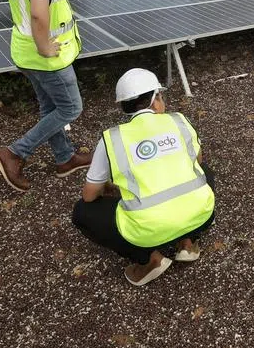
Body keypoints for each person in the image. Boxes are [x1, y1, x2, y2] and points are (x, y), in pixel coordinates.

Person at [71, 68, 216, 286]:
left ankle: (149, 260)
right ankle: (188, 242)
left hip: (147, 230)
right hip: (201, 214)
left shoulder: (112, 139)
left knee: (83, 212)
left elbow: (90, 196)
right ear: (156, 99)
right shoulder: (179, 121)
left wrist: (111, 186)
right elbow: (198, 160)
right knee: (205, 172)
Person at [0, 0, 91, 192]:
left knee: (50, 107)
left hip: (25, 53)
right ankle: (14, 153)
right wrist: (45, 46)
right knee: (71, 107)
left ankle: (64, 158)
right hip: (46, 58)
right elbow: (38, 13)